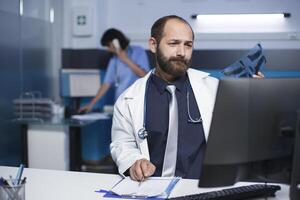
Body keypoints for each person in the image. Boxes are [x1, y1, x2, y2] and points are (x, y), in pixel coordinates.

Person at [110, 15, 219, 180]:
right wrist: (134, 162)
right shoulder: (128, 99)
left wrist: (255, 98)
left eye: (188, 45)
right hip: (151, 187)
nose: (181, 52)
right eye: (173, 43)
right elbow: (122, 143)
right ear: (153, 45)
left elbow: (237, 136)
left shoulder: (213, 89)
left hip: (199, 187)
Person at [79, 28, 150, 113]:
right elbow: (106, 84)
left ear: (116, 42)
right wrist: (91, 104)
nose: (108, 49)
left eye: (109, 46)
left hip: (137, 104)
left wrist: (125, 59)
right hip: (120, 105)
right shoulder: (114, 59)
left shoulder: (138, 51)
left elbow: (145, 75)